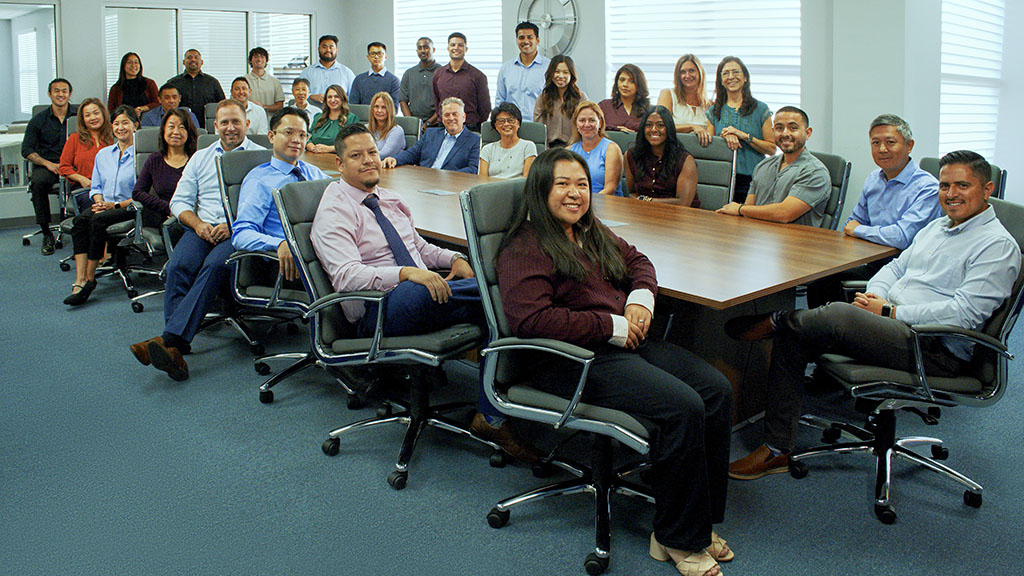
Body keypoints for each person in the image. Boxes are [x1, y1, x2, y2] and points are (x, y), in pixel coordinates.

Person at [496, 147, 734, 576]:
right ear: (541, 190)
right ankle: (680, 538)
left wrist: (641, 300)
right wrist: (610, 325)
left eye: (582, 184)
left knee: (716, 390)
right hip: (572, 360)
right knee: (682, 407)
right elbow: (531, 320)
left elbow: (638, 261)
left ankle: (692, 523)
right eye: (563, 184)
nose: (575, 194)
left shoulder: (589, 229)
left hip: (622, 342)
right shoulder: (526, 245)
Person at [726, 150, 1021, 481]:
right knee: (796, 336)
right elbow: (896, 267)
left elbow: (964, 315)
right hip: (893, 327)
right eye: (944, 185)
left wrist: (892, 311)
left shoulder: (996, 246)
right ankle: (777, 449)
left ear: (987, 189)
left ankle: (778, 319)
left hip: (934, 347)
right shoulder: (939, 226)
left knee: (837, 313)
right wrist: (878, 294)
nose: (950, 194)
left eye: (962, 185)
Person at [310, 122, 542, 463]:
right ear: (340, 164)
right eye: (356, 156)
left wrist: (455, 258)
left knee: (497, 303)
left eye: (372, 152)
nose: (368, 160)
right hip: (379, 313)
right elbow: (346, 277)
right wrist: (406, 273)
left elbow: (417, 246)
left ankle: (491, 415)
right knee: (474, 291)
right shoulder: (334, 210)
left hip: (417, 296)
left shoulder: (388, 199)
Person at [129, 100, 265, 382]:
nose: (230, 128)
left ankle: (171, 343)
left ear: (247, 124)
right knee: (178, 265)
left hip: (240, 231)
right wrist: (199, 224)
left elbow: (270, 208)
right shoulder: (201, 157)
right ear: (215, 126)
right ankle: (176, 349)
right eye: (224, 122)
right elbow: (179, 201)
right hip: (202, 228)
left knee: (214, 267)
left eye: (236, 122)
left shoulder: (261, 158)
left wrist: (233, 226)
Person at [806, 114, 942, 308]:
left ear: (909, 145)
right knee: (819, 282)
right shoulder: (873, 179)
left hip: (909, 272)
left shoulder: (927, 188)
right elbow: (852, 222)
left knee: (827, 289)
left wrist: (860, 230)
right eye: (875, 143)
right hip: (873, 262)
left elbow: (902, 237)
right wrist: (859, 229)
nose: (882, 149)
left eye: (890, 142)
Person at [233, 107, 328, 282]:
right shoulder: (260, 180)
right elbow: (241, 234)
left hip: (325, 255)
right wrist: (279, 244)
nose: (296, 140)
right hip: (290, 267)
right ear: (271, 136)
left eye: (302, 135)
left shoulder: (315, 174)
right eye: (289, 132)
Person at [64, 106, 139, 306]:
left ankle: (90, 280)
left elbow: (142, 196)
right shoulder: (104, 154)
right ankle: (79, 279)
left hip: (128, 207)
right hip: (104, 205)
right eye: (116, 124)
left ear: (135, 126)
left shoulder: (143, 156)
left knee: (97, 221)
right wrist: (98, 202)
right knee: (80, 221)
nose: (120, 128)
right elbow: (96, 186)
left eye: (125, 123)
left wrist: (112, 205)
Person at [716, 107, 830, 227]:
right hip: (758, 238)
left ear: (807, 133)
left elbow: (785, 214)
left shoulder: (815, 172)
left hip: (796, 243)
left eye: (793, 128)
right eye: (779, 128)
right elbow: (749, 210)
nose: (785, 133)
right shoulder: (763, 166)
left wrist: (739, 209)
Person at [708, 56, 776, 202]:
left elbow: (771, 149)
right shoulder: (714, 111)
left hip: (754, 180)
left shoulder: (761, 109)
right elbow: (709, 150)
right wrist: (725, 136)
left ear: (745, 77)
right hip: (722, 181)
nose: (731, 77)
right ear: (720, 80)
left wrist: (744, 136)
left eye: (736, 72)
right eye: (725, 73)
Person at [22, 78, 75, 255]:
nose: (61, 94)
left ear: (70, 94)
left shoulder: (79, 116)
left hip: (74, 166)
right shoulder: (39, 120)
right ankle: (47, 233)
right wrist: (48, 164)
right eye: (56, 91)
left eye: (64, 91)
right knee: (38, 183)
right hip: (49, 166)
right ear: (49, 94)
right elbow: (27, 149)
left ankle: (83, 230)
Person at [132, 107, 199, 237]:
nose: (176, 132)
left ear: (189, 132)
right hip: (164, 214)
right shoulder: (155, 159)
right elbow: (138, 192)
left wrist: (182, 211)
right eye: (171, 127)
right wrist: (167, 207)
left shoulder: (197, 159)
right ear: (163, 131)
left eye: (182, 127)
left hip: (193, 214)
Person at [625, 106, 699, 207]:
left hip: (680, 217)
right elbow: (631, 193)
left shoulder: (685, 160)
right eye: (648, 125)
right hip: (643, 215)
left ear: (668, 128)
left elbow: (683, 203)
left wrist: (647, 201)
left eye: (660, 125)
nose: (653, 130)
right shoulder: (632, 156)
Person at [382, 97, 479, 174]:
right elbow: (412, 154)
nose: (451, 118)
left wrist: (447, 176)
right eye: (447, 115)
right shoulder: (430, 134)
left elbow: (473, 168)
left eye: (455, 114)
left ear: (464, 117)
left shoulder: (475, 140)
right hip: (424, 180)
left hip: (452, 186)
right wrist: (395, 159)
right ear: (441, 118)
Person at [58, 98, 113, 212]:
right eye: (87, 115)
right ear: (83, 120)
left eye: (96, 113)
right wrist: (81, 179)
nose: (93, 118)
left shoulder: (114, 138)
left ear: (103, 114)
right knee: (92, 206)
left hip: (112, 185)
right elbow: (64, 167)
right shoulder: (74, 139)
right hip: (86, 187)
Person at [432, 32, 490, 131]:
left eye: (460, 45)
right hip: (444, 127)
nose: (456, 48)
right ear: (448, 48)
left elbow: (485, 108)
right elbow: (437, 102)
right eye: (453, 45)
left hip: (469, 128)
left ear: (466, 49)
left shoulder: (478, 76)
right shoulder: (438, 75)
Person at [656, 54, 714, 146]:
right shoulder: (668, 94)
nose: (687, 75)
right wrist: (692, 127)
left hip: (702, 154)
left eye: (691, 71)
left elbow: (712, 136)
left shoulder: (710, 105)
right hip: (673, 150)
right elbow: (660, 125)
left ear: (700, 72)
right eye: (683, 72)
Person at [495, 21, 549, 120]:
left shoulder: (548, 67)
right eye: (521, 38)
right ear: (516, 40)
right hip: (511, 126)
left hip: (537, 125)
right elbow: (500, 100)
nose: (525, 41)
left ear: (537, 40)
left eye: (530, 37)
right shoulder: (506, 68)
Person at [568, 101, 623, 196]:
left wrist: (587, 204)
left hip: (607, 203)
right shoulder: (569, 151)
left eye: (592, 120)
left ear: (600, 123)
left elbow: (610, 188)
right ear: (576, 124)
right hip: (578, 202)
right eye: (582, 120)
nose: (587, 124)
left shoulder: (611, 149)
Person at [533, 55, 587, 149]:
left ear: (571, 75)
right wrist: (546, 148)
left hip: (575, 148)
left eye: (565, 72)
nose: (561, 76)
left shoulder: (580, 98)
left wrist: (573, 147)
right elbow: (539, 128)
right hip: (549, 148)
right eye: (557, 72)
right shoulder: (543, 98)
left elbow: (585, 126)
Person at [167, 49, 225, 131]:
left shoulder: (212, 82)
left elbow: (222, 104)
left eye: (196, 57)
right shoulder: (173, 83)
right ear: (184, 62)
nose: (193, 60)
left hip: (208, 127)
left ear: (202, 62)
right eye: (189, 57)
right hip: (181, 126)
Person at [479, 102, 537, 179]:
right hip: (492, 189)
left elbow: (527, 179)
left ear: (518, 123)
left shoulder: (528, 146)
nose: (506, 124)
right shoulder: (487, 149)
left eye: (511, 120)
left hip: (517, 190)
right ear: (495, 125)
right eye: (501, 121)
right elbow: (482, 180)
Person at [299, 34, 355, 105]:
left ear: (336, 50)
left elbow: (353, 99)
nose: (328, 50)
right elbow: (299, 94)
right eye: (324, 47)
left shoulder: (347, 73)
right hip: (312, 113)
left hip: (339, 114)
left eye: (331, 47)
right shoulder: (307, 72)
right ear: (318, 49)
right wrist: (311, 96)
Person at [399, 37, 441, 126]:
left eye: (426, 47)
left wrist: (429, 122)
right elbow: (403, 101)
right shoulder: (409, 73)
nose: (422, 51)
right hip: (414, 125)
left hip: (437, 125)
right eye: (419, 48)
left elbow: (444, 103)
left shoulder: (442, 72)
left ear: (433, 49)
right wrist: (412, 122)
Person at [306, 85, 359, 154]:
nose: (332, 100)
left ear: (342, 99)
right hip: (314, 157)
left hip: (339, 160)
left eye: (336, 97)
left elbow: (355, 144)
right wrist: (310, 146)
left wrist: (329, 149)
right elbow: (307, 136)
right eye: (329, 97)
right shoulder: (318, 117)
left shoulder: (352, 119)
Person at [348, 42, 401, 110]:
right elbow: (354, 107)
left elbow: (394, 108)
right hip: (363, 119)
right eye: (373, 54)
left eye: (379, 53)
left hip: (385, 120)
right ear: (368, 57)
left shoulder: (394, 80)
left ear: (385, 56)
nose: (376, 56)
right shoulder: (359, 79)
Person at [598, 64, 649, 133]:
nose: (625, 84)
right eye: (622, 80)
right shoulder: (604, 106)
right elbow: (594, 126)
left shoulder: (647, 109)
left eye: (631, 81)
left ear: (639, 85)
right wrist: (615, 128)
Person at [106, 52, 159, 117]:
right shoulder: (116, 88)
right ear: (123, 66)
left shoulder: (149, 83)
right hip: (125, 122)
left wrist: (141, 109)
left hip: (147, 121)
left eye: (136, 62)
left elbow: (158, 103)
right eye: (129, 62)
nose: (133, 65)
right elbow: (111, 110)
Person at [244, 47, 285, 113]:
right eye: (256, 56)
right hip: (248, 120)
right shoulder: (243, 81)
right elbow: (236, 103)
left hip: (269, 121)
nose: (259, 59)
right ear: (250, 60)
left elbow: (280, 106)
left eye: (262, 57)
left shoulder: (275, 82)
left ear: (266, 61)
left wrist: (263, 107)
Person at [367, 92, 405, 160]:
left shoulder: (397, 131)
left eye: (384, 107)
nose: (379, 110)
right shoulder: (365, 128)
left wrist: (360, 156)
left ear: (390, 110)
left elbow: (384, 154)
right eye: (376, 106)